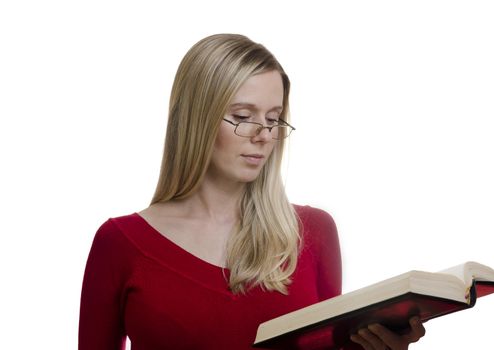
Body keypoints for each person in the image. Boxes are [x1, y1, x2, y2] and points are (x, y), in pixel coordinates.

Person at [78, 33, 425, 350]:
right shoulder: (120, 244)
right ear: (197, 119)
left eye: (274, 119)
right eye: (243, 116)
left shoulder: (313, 233)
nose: (264, 135)